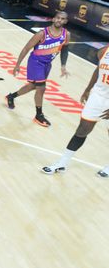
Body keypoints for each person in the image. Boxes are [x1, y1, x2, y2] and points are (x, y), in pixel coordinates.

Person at [42, 45, 109, 177]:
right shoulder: (104, 50)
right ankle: (62, 162)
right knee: (82, 129)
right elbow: (98, 70)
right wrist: (88, 89)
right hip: (98, 96)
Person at [5, 11, 70, 127]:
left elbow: (64, 49)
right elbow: (26, 48)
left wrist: (63, 66)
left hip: (47, 64)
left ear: (66, 21)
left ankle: (11, 96)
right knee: (41, 88)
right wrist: (17, 65)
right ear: (53, 19)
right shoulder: (42, 34)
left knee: (32, 86)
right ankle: (39, 115)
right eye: (58, 18)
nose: (60, 20)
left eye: (63, 19)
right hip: (36, 62)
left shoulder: (66, 34)